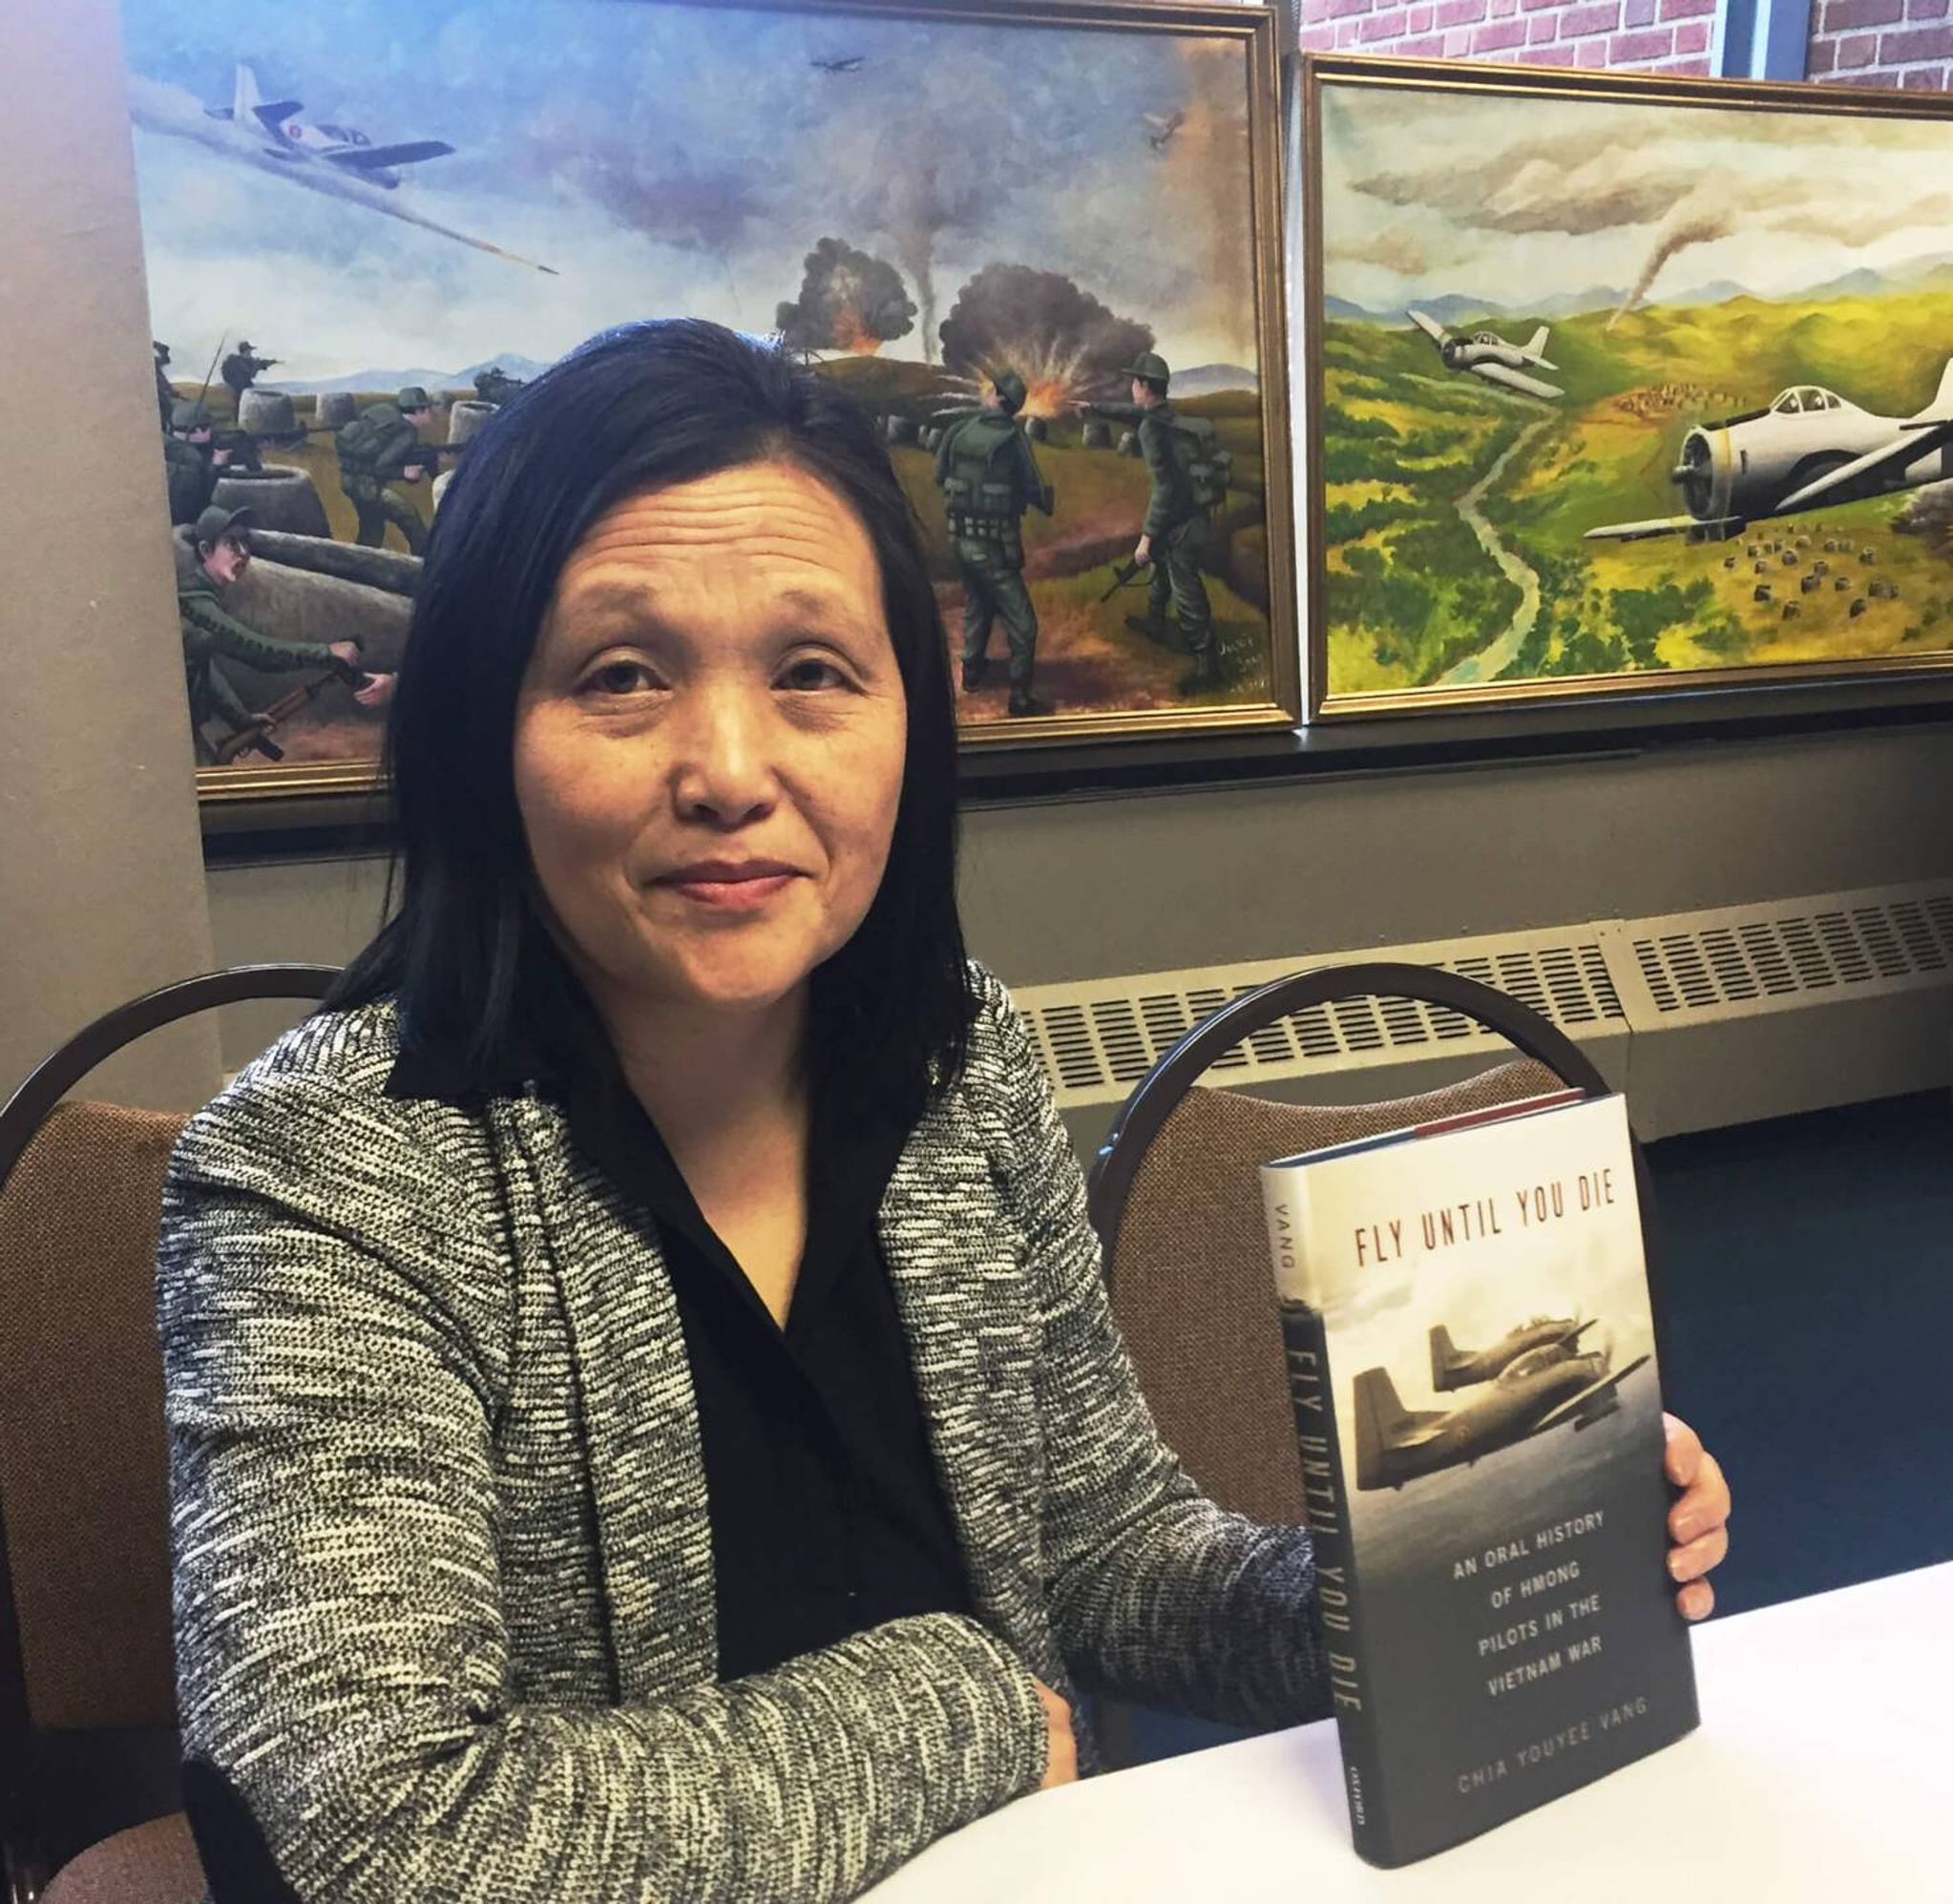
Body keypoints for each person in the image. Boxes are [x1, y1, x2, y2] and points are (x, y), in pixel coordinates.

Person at [157, 321, 1730, 1902]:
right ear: (484, 732)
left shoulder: (948, 1059)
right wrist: (964, 1705)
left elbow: (1105, 1555)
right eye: (620, 676)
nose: (728, 768)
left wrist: (1429, 1577)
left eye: (814, 674)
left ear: (912, 718)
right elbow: (376, 1838)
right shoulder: (326, 1179)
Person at [174, 503, 389, 764]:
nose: (243, 553)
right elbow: (255, 649)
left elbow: (201, 666)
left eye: (245, 543)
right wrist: (325, 652)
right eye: (232, 543)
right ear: (206, 551)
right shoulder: (195, 602)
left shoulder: (201, 594)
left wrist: (240, 719)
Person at [1085, 350, 1223, 695]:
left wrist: (1146, 539)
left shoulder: (1151, 429)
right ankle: (1155, 621)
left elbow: (1164, 488)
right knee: (1160, 571)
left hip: (1182, 526)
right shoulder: (1165, 418)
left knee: (1186, 591)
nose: (1131, 387)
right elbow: (1133, 413)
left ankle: (1209, 665)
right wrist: (1093, 408)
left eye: (1135, 381)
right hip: (1192, 516)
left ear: (1145, 386)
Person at [934, 366, 1054, 717]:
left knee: (978, 604)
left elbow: (940, 475)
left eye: (992, 388)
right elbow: (1032, 487)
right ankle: (1019, 697)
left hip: (960, 539)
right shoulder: (1014, 439)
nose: (986, 391)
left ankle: (972, 673)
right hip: (995, 545)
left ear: (999, 397)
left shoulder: (957, 430)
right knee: (1023, 623)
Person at [336, 384, 436, 552]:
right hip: (366, 486)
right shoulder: (407, 432)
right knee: (408, 516)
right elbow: (381, 466)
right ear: (418, 411)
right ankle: (424, 560)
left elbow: (379, 450)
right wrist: (404, 472)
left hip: (349, 479)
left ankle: (359, 567)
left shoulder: (385, 412)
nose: (430, 414)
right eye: (427, 409)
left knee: (372, 528)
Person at [220, 339, 279, 413]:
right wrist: (257, 365)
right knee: (240, 406)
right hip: (238, 387)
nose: (250, 353)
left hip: (243, 387)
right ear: (245, 352)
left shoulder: (246, 361)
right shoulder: (238, 362)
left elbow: (258, 364)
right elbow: (251, 373)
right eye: (249, 351)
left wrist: (268, 363)